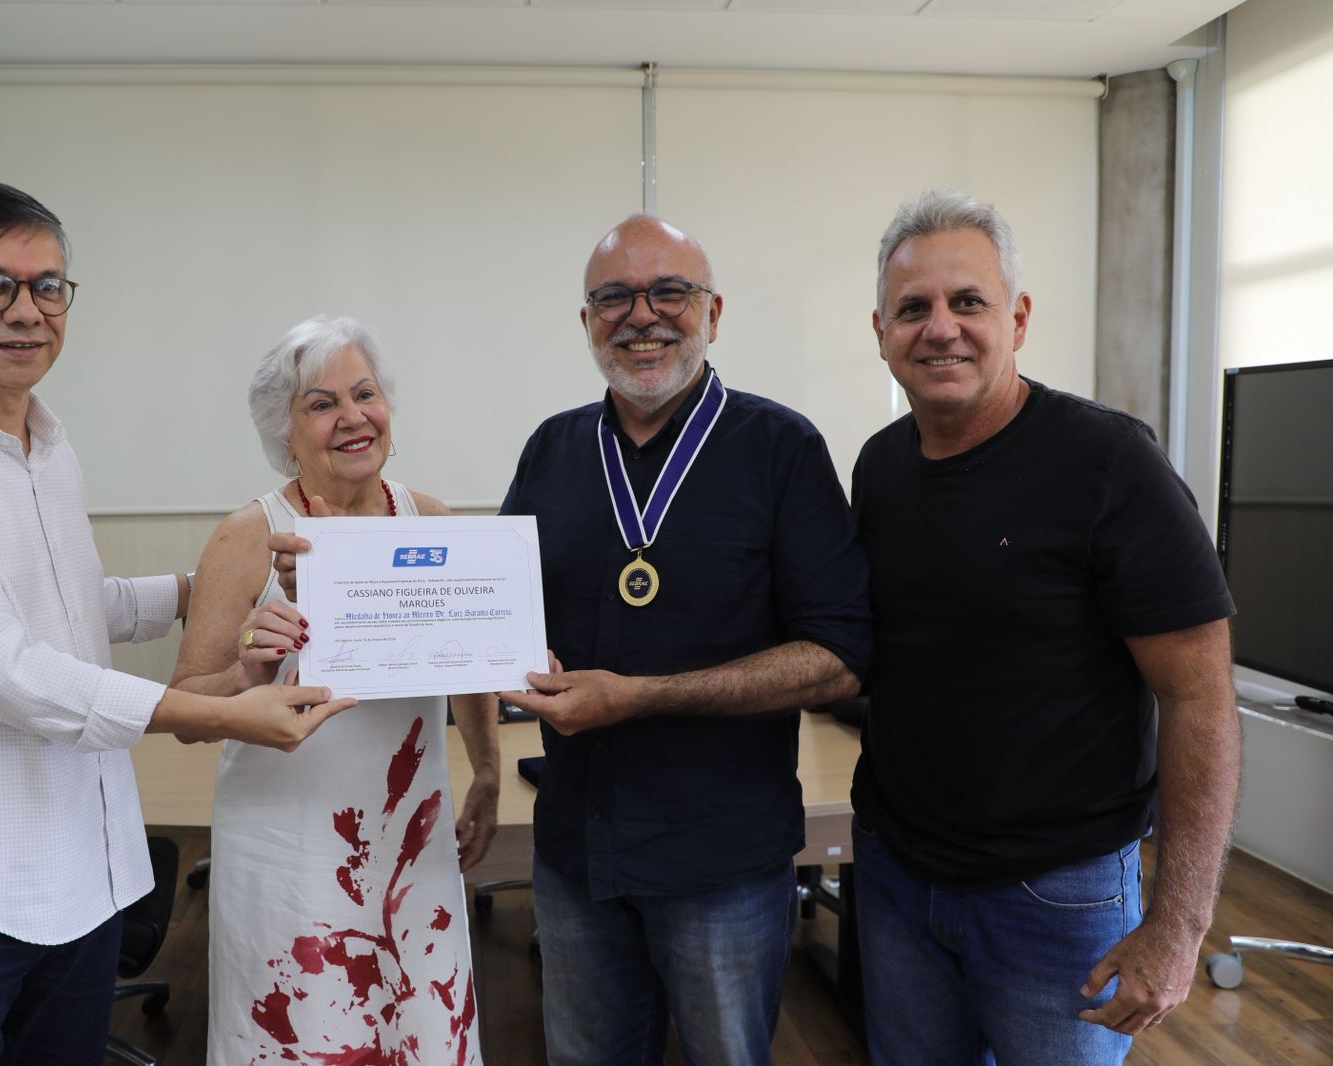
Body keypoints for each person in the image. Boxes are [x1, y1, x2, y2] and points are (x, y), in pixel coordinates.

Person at [0, 181, 353, 1066]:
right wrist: (215, 714)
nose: (27, 312)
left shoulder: (48, 448)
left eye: (49, 287)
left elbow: (70, 608)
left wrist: (204, 583)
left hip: (78, 882)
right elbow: (3, 666)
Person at [849, 188, 1241, 1065]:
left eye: (968, 302)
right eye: (913, 309)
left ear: (1017, 318)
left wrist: (1179, 927)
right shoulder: (878, 468)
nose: (940, 328)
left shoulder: (1109, 464)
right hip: (896, 876)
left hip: (1055, 897)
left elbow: (1199, 695)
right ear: (880, 331)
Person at [497, 215, 872, 1064]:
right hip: (575, 854)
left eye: (670, 291)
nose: (643, 315)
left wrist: (642, 697)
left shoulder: (780, 448)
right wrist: (345, 585)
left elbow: (839, 653)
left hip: (722, 860)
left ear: (714, 310)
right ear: (586, 319)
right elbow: (490, 610)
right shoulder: (552, 449)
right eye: (614, 297)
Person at [169, 315, 499, 1066]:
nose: (352, 417)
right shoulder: (248, 535)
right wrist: (252, 664)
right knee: (310, 1038)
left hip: (412, 841)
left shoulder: (433, 521)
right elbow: (190, 707)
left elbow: (470, 664)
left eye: (366, 394)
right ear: (284, 432)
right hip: (290, 853)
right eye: (321, 404)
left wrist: (487, 772)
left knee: (422, 1035)